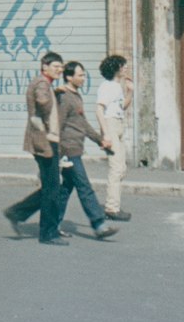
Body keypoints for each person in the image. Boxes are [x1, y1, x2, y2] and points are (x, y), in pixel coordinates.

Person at [4, 50, 66, 246]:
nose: (59, 70)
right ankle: (48, 233)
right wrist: (48, 99)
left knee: (51, 187)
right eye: (55, 67)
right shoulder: (41, 84)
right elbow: (41, 100)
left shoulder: (45, 84)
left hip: (45, 140)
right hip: (44, 142)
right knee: (52, 189)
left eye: (61, 67)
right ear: (45, 67)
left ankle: (17, 212)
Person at [55, 61, 118, 241]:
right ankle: (99, 225)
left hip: (75, 148)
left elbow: (82, 124)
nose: (83, 78)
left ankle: (53, 223)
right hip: (68, 151)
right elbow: (57, 126)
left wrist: (100, 139)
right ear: (69, 77)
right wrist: (59, 154)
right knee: (85, 187)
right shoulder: (64, 98)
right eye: (80, 75)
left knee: (65, 190)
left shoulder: (76, 96)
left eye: (83, 75)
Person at [96, 54, 132, 222]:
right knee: (116, 168)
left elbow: (122, 106)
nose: (125, 68)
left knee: (121, 168)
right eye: (123, 65)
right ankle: (111, 208)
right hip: (111, 126)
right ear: (116, 68)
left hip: (118, 125)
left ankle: (113, 205)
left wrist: (130, 92)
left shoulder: (117, 86)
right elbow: (99, 109)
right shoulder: (107, 86)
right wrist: (105, 133)